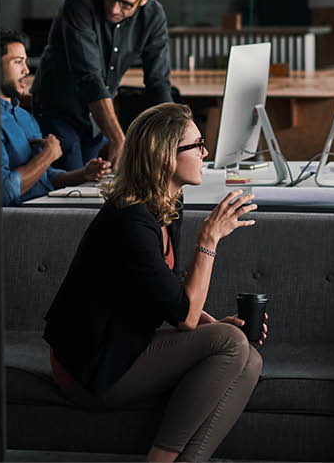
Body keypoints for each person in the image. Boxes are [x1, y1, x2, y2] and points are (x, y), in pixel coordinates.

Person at [42, 102, 268, 462]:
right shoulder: (129, 221)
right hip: (88, 365)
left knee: (248, 358)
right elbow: (184, 318)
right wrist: (208, 241)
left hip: (124, 343)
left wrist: (209, 326)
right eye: (196, 145)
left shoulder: (167, 203)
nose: (205, 152)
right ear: (165, 156)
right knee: (229, 343)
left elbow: (168, 291)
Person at [32, 0, 174, 172]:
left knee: (92, 188)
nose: (114, 9)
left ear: (142, 0)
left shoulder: (153, 16)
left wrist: (174, 135)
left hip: (96, 118)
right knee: (69, 189)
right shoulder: (79, 4)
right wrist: (118, 139)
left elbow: (158, 82)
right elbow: (89, 77)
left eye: (125, 4)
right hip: (58, 110)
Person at [0, 29, 109, 206]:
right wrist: (48, 155)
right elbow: (3, 192)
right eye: (18, 62)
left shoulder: (25, 117)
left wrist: (83, 174)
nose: (26, 70)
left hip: (45, 205)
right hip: (20, 218)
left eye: (25, 62)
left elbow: (46, 176)